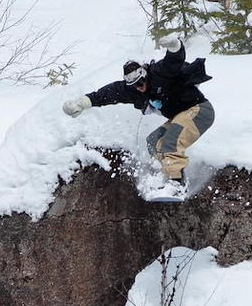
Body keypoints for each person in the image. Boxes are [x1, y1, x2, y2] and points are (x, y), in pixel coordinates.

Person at [62, 34, 214, 197]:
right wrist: (81, 104)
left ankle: (177, 184)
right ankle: (164, 178)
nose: (139, 88)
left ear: (145, 75)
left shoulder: (158, 73)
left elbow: (173, 62)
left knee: (170, 142)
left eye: (141, 83)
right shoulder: (134, 91)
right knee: (154, 141)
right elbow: (107, 94)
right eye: (134, 85)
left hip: (199, 110)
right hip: (181, 116)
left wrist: (174, 45)